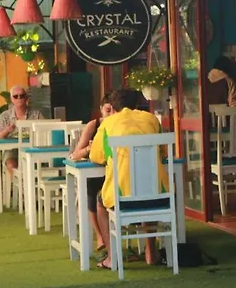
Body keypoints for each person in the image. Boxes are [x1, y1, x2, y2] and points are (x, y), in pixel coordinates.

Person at [90, 89, 168, 270]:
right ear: (137, 104)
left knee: (100, 203)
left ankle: (112, 257)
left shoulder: (108, 123)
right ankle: (151, 252)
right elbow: (163, 152)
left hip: (121, 198)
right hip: (157, 196)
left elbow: (96, 156)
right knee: (148, 188)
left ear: (113, 107)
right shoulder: (151, 120)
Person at [70, 92, 115, 255]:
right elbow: (75, 154)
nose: (110, 114)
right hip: (94, 173)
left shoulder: (119, 126)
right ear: (101, 109)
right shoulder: (93, 126)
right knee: (92, 186)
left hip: (114, 174)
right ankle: (100, 235)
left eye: (113, 111)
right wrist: (90, 148)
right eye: (107, 110)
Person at [0, 85, 44, 176]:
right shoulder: (4, 116)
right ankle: (17, 184)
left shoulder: (36, 115)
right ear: (11, 99)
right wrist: (7, 130)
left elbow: (44, 131)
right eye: (15, 96)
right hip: (12, 149)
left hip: (32, 148)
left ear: (26, 98)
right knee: (11, 164)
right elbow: (0, 135)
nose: (19, 98)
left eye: (22, 96)